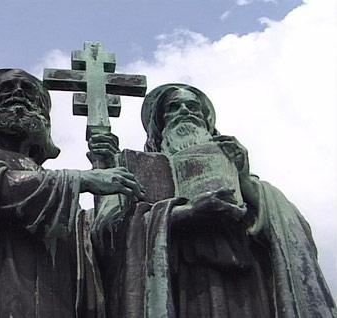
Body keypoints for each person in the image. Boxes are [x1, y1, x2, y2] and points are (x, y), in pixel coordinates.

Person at [90, 84, 336, 317]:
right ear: (160, 124)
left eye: (192, 107)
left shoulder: (243, 174)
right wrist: (187, 213)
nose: (184, 112)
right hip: (183, 287)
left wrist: (243, 179)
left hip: (247, 286)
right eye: (174, 107)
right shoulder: (141, 172)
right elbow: (111, 234)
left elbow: (293, 232)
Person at [0, 69, 144, 318]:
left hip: (58, 294)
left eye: (28, 91)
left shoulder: (53, 186)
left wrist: (106, 172)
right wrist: (80, 179)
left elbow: (91, 243)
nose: (18, 93)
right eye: (7, 88)